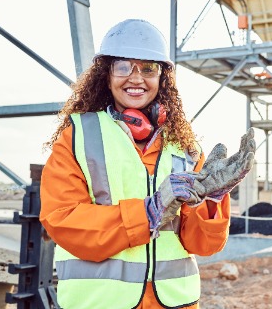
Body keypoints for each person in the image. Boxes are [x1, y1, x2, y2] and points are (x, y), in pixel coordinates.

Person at [40, 18, 255, 309]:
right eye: (123, 67)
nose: (136, 78)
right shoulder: (77, 138)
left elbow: (204, 245)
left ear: (162, 77)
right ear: (106, 75)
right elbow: (62, 220)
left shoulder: (185, 148)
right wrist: (149, 213)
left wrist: (212, 200)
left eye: (149, 68)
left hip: (175, 304)